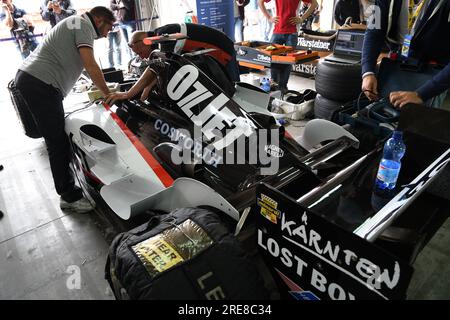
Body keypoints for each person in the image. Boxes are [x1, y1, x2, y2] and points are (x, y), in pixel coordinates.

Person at [14, 7, 115, 213]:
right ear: (98, 19)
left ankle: (67, 188)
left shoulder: (75, 23)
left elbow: (75, 62)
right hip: (40, 82)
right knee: (56, 140)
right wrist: (107, 93)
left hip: (34, 79)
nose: (106, 34)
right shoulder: (84, 24)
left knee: (56, 136)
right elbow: (89, 63)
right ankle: (68, 195)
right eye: (108, 27)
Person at [362, 0, 450, 108]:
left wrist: (422, 94)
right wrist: (367, 72)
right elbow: (374, 30)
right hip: (398, 65)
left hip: (439, 75)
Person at [126, 23, 240, 82]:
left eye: (140, 52)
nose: (142, 56)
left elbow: (158, 70)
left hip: (224, 49)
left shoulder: (163, 36)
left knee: (234, 92)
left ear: (143, 42)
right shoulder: (158, 36)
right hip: (213, 53)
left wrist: (130, 93)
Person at [258, 0, 318, 93]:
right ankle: (274, 84)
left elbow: (315, 3)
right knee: (272, 59)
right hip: (277, 31)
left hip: (292, 33)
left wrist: (302, 18)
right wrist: (269, 18)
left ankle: (282, 87)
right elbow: (260, 2)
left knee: (288, 62)